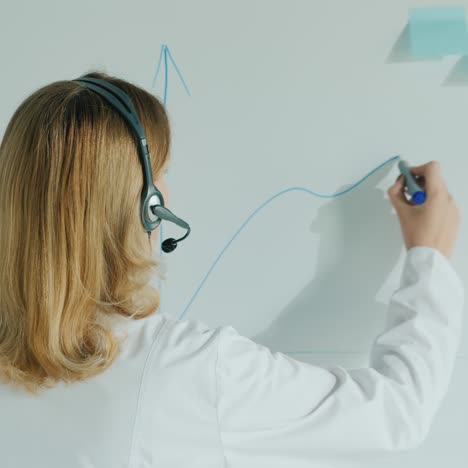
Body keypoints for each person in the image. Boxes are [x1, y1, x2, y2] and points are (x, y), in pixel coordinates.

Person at [0, 71, 464, 468]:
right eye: (159, 171)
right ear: (143, 206)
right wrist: (430, 257)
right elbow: (397, 411)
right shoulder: (186, 373)